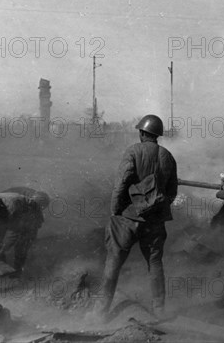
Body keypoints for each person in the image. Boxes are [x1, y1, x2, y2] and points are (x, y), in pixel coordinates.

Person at [92, 114, 178, 322]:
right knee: (155, 263)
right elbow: (172, 191)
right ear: (157, 135)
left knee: (113, 260)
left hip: (128, 218)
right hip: (155, 221)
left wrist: (115, 210)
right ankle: (159, 310)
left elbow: (121, 184)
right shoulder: (168, 156)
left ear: (141, 133)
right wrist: (155, 208)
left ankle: (100, 313)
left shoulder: (133, 151)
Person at [0, 188, 49, 277]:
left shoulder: (12, 207)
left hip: (31, 213)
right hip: (14, 205)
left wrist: (2, 250)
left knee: (22, 242)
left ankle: (18, 271)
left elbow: (14, 233)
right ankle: (1, 266)